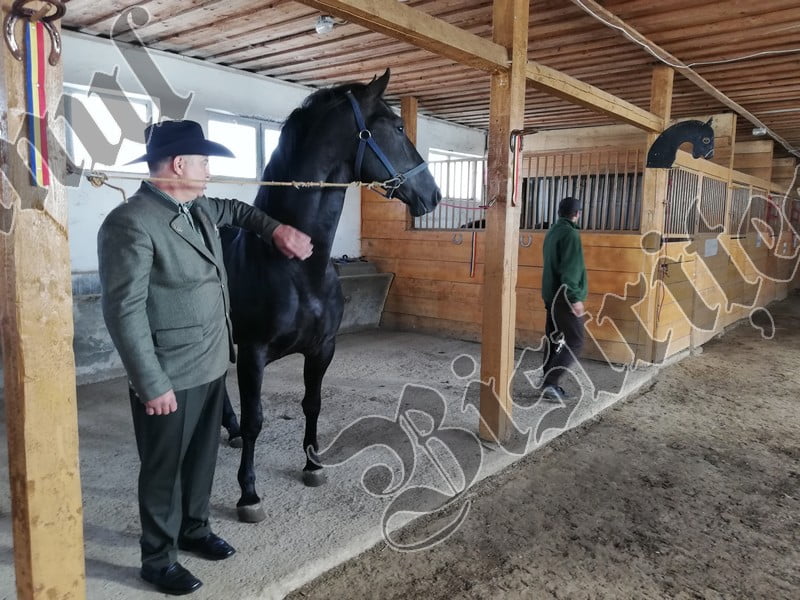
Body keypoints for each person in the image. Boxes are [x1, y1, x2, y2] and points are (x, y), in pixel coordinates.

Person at [97, 119, 313, 595]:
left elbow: (237, 210)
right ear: (179, 164)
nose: (209, 170)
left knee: (201, 459)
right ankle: (158, 559)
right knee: (163, 469)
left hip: (211, 361)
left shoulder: (196, 206)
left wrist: (276, 230)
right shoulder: (131, 222)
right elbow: (123, 311)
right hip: (169, 372)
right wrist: (150, 381)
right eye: (204, 161)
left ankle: (193, 529)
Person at [540, 196, 588, 402]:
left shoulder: (553, 231)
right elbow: (570, 270)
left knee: (553, 339)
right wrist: (574, 298)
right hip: (564, 298)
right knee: (575, 341)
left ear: (559, 212)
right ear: (577, 214)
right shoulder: (570, 234)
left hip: (551, 295)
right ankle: (550, 383)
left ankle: (547, 381)